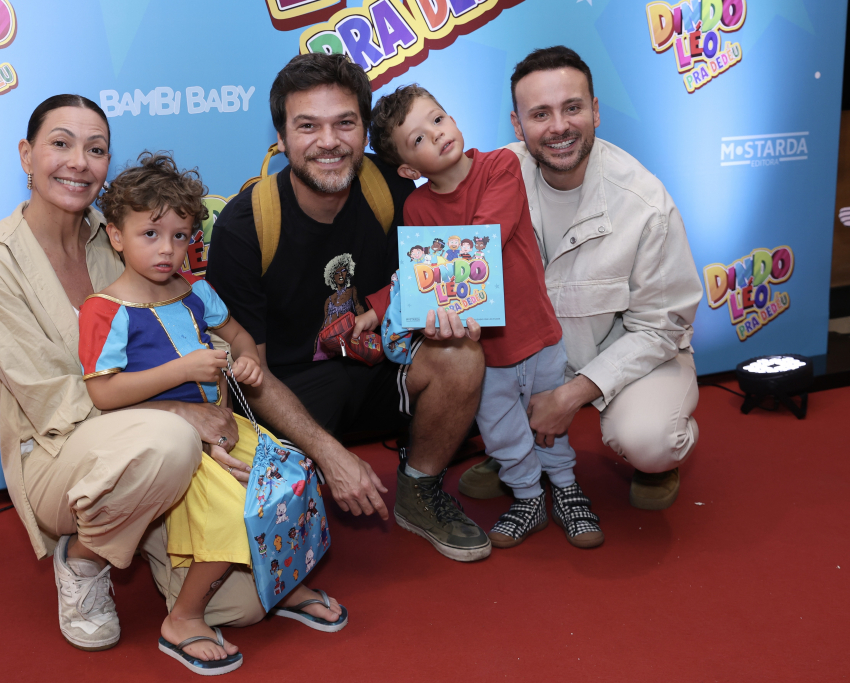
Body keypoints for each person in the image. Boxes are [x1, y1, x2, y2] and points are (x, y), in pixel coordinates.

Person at [0, 95, 263, 656]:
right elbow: (60, 406)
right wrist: (180, 415)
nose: (78, 161)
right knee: (167, 442)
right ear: (27, 156)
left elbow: (201, 331)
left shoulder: (131, 233)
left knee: (242, 606)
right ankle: (83, 559)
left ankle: (150, 519)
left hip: (151, 444)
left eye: (95, 148)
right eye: (60, 143)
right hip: (58, 453)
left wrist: (211, 403)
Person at [207, 53, 490, 562]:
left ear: (363, 131)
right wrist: (330, 454)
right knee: (246, 537)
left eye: (344, 123)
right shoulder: (244, 226)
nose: (329, 141)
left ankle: (420, 489)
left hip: (382, 367)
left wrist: (453, 307)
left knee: (462, 355)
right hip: (291, 392)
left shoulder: (394, 187)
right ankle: (310, 469)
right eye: (308, 126)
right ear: (281, 137)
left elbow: (465, 211)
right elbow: (252, 375)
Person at [78, 151, 345, 675]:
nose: (168, 250)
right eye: (150, 234)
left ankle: (284, 583)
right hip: (173, 441)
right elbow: (104, 395)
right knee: (231, 511)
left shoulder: (196, 290)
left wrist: (246, 362)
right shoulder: (105, 309)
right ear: (115, 236)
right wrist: (184, 369)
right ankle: (184, 617)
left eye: (180, 236)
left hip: (224, 425)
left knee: (291, 478)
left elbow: (240, 336)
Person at [459, 46, 702, 510]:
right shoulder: (489, 180)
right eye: (540, 114)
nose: (558, 127)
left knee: (649, 440)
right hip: (526, 359)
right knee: (451, 361)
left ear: (595, 111)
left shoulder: (645, 202)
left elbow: (661, 327)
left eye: (572, 108)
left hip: (628, 353)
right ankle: (515, 448)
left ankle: (658, 458)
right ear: (517, 125)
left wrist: (571, 395)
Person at [369, 84, 603, 549]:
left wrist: (443, 271)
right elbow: (418, 274)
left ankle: (568, 487)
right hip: (482, 353)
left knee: (547, 423)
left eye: (437, 119)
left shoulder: (501, 166)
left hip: (536, 335)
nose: (436, 135)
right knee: (499, 433)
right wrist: (378, 306)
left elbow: (487, 235)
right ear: (408, 168)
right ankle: (529, 495)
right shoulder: (416, 207)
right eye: (417, 139)